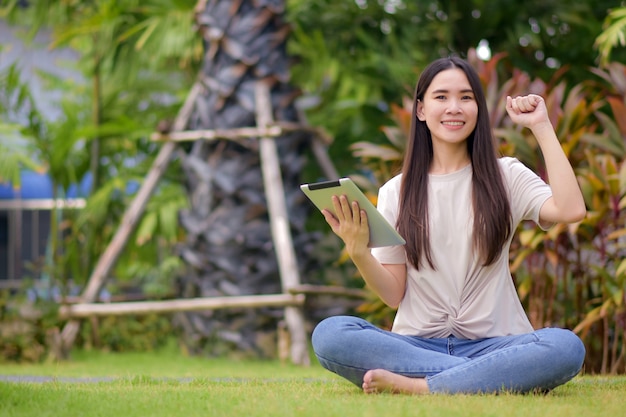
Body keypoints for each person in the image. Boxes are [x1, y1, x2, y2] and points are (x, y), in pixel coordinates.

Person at [311, 56, 587, 395]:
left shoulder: (507, 176)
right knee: (331, 333)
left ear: (478, 109)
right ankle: (486, 380)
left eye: (466, 97)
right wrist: (358, 251)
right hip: (416, 347)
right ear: (421, 110)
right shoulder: (395, 191)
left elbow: (572, 209)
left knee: (565, 347)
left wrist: (541, 126)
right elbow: (393, 294)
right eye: (441, 97)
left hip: (496, 344)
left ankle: (422, 387)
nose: (454, 107)